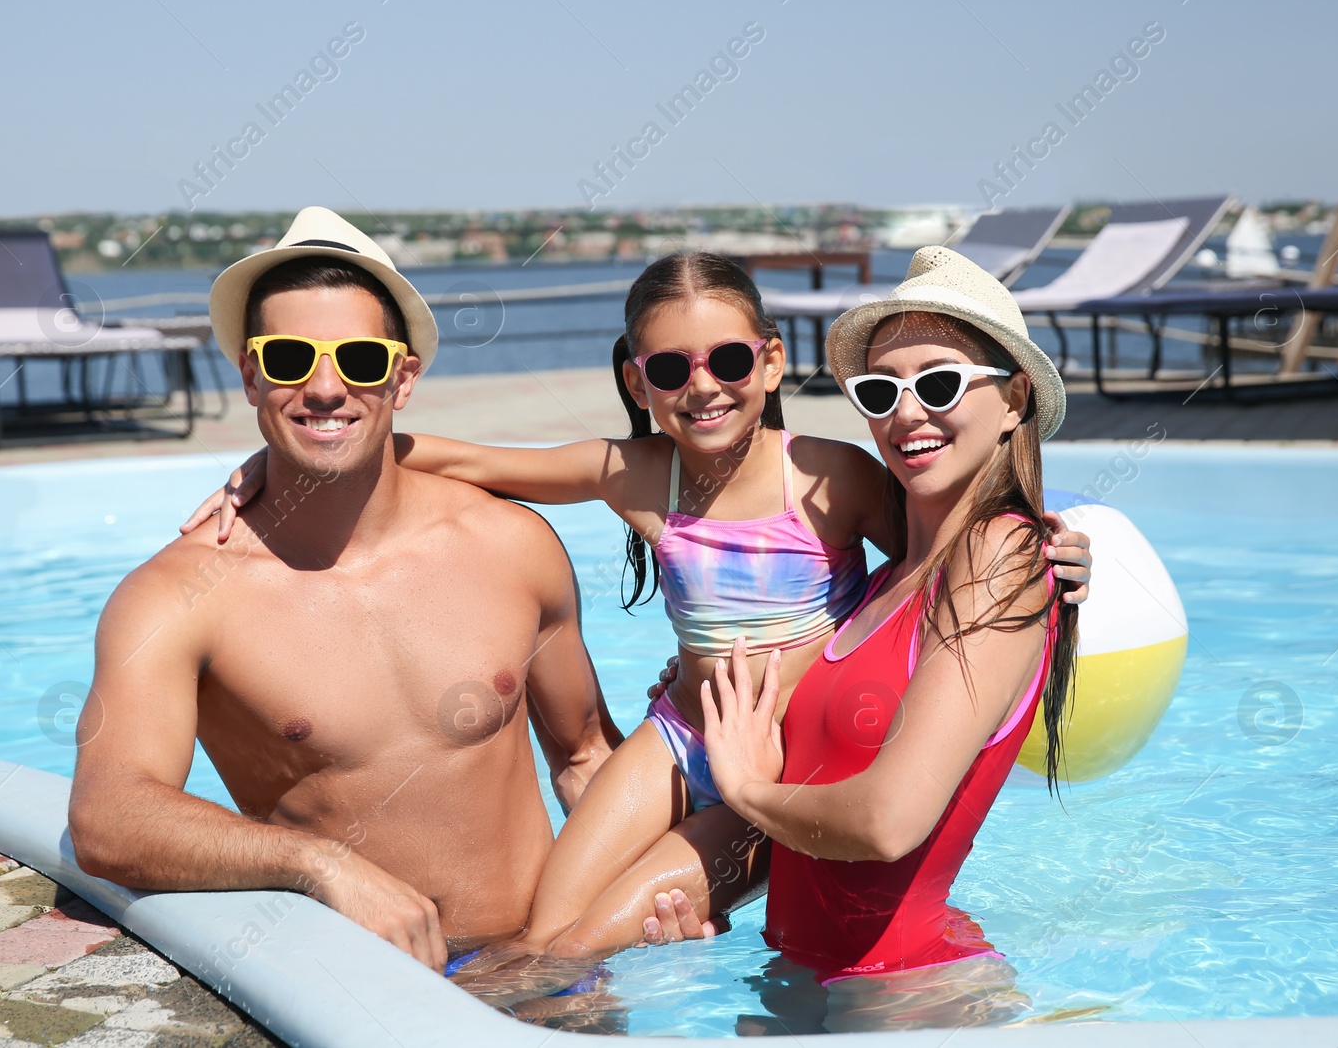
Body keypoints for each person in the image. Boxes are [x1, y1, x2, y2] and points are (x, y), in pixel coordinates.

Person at [184, 251, 1092, 975]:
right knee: (547, 918)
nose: (704, 385)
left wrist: (1062, 556)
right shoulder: (640, 475)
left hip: (770, 760)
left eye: (731, 360)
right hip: (676, 736)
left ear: (770, 361)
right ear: (638, 377)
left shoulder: (832, 475)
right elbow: (464, 459)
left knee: (564, 952)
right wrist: (271, 462)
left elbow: (926, 580)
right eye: (671, 367)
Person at [68, 208, 622, 976]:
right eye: (291, 356)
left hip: (561, 970)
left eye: (360, 359)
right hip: (365, 993)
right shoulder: (178, 596)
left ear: (403, 377)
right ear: (250, 372)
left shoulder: (511, 545)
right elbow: (107, 816)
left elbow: (587, 756)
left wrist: (641, 893)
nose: (325, 387)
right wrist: (322, 864)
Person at [694, 246, 1079, 1031]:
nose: (906, 413)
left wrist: (747, 792)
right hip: (804, 979)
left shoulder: (1002, 554)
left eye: (938, 383)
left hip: (906, 999)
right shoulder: (880, 583)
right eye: (880, 390)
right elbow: (822, 802)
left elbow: (889, 820)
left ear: (1013, 400)